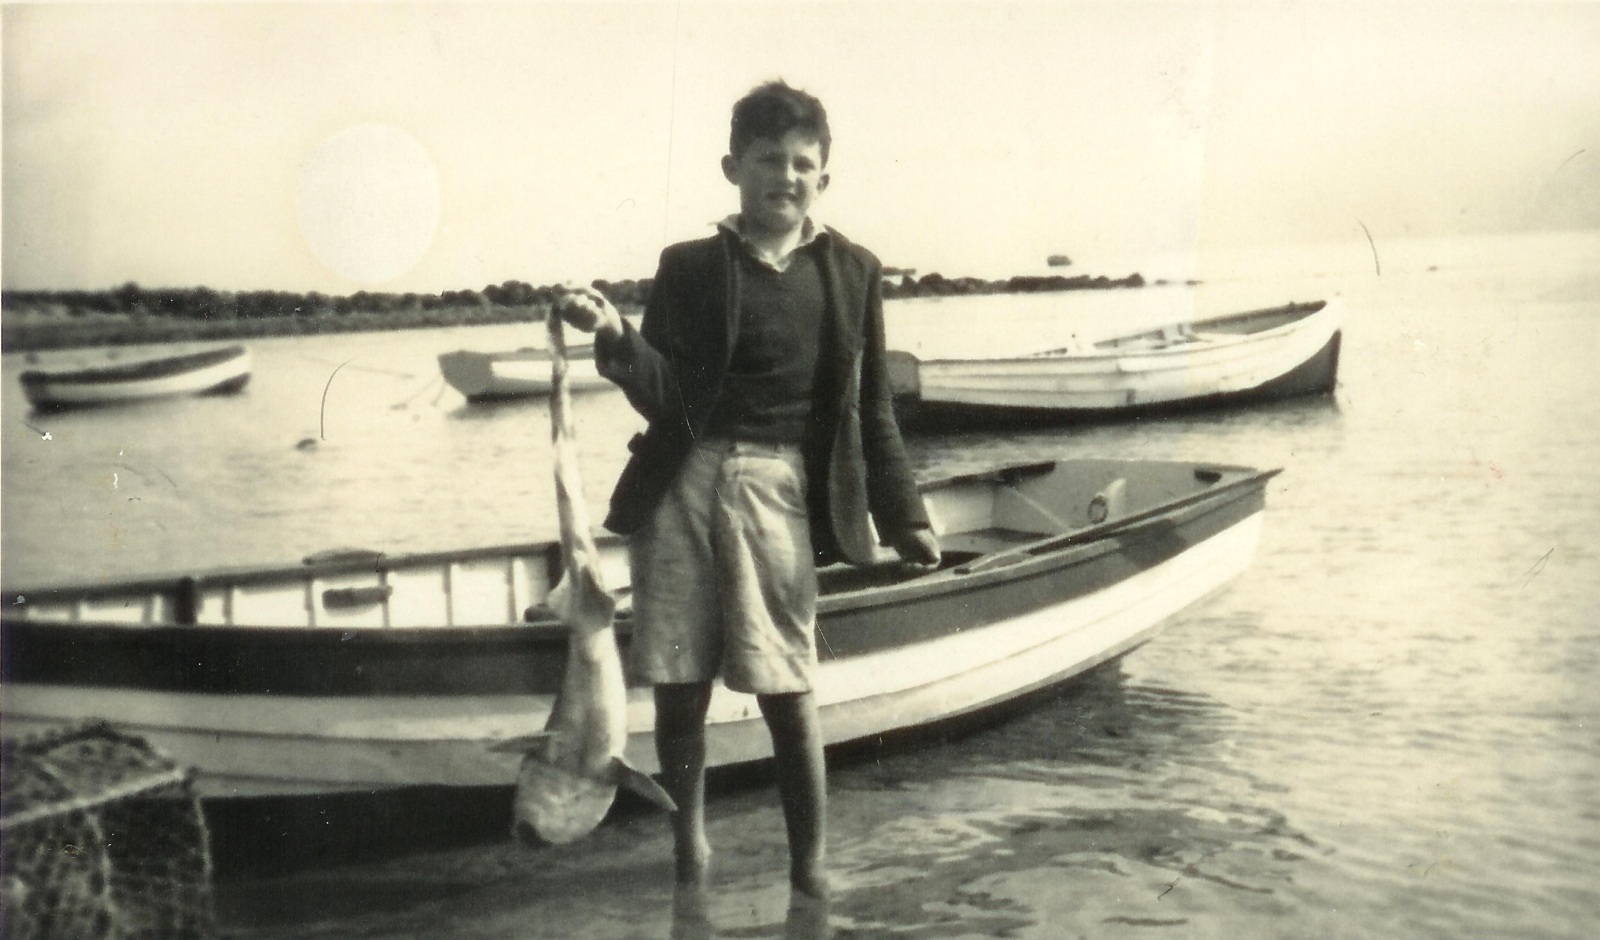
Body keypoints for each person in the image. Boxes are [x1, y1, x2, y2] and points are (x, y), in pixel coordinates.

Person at [553, 80, 940, 904]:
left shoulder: (853, 272)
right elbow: (664, 391)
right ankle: (690, 849)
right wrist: (617, 334)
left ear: (823, 180)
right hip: (682, 484)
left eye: (805, 163)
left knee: (787, 686)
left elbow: (870, 410)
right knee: (682, 684)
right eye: (769, 159)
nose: (787, 176)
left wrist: (905, 517)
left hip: (781, 490)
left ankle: (810, 869)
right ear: (733, 167)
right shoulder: (690, 266)